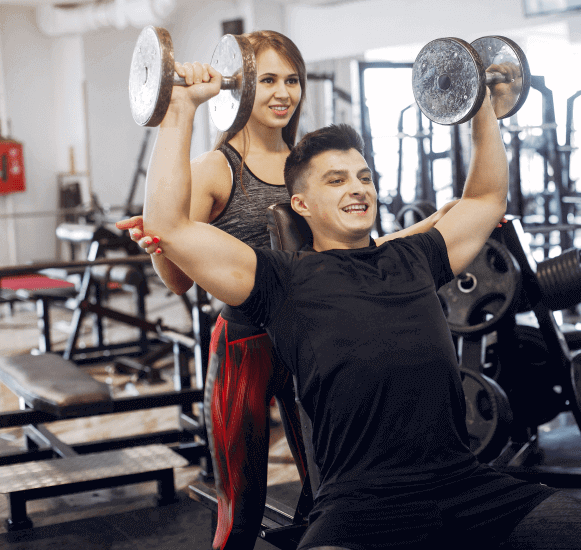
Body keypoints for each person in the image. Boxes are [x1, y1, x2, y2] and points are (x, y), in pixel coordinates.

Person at [137, 55, 581, 549]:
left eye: (364, 177)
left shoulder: (415, 257)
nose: (357, 188)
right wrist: (180, 109)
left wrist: (482, 106)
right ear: (301, 204)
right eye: (336, 180)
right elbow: (170, 226)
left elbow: (484, 198)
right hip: (359, 506)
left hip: (469, 486)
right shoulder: (280, 280)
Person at [117, 31, 459, 550]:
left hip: (319, 342)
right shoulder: (214, 169)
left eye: (292, 80)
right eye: (268, 80)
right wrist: (159, 244)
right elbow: (178, 280)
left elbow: (360, 255)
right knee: (241, 509)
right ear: (238, 85)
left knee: (332, 489)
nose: (283, 93)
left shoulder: (313, 165)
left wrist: (435, 224)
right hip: (248, 344)